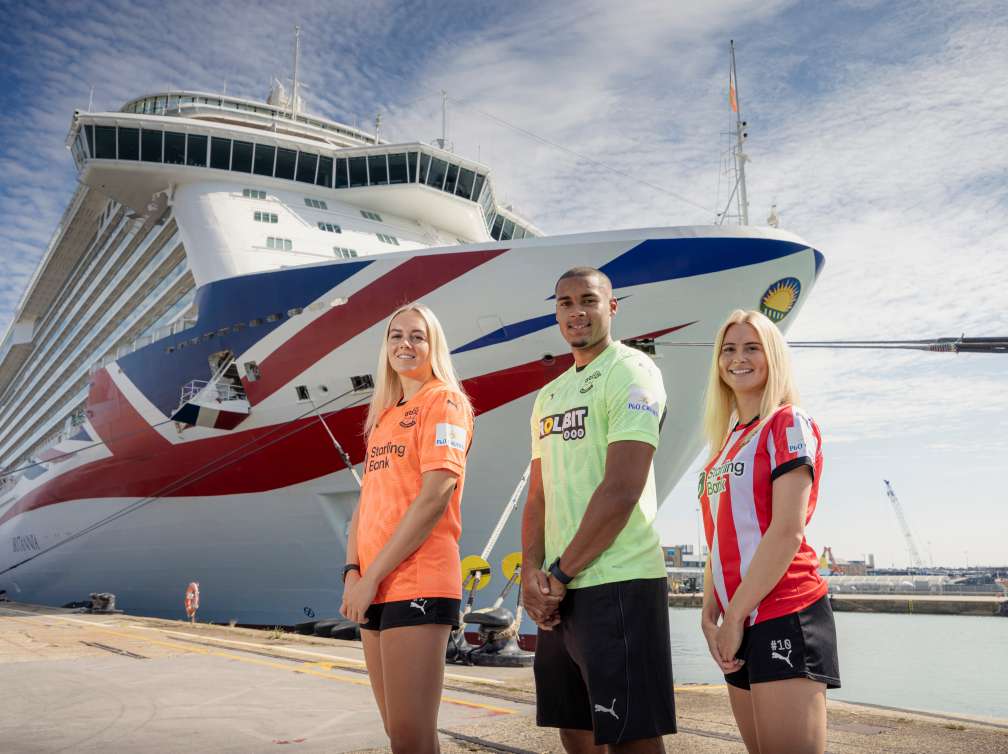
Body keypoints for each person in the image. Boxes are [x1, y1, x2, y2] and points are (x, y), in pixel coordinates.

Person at [521, 267, 677, 754]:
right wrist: (531, 573)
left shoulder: (631, 371)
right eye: (565, 303)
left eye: (588, 300)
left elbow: (621, 489)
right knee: (575, 729)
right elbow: (538, 495)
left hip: (618, 582)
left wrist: (560, 575)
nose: (576, 312)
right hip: (560, 588)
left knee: (630, 736)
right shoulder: (549, 395)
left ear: (611, 307)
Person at [698, 309, 840, 754]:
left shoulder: (787, 423)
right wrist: (709, 612)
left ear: (773, 356)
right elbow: (720, 537)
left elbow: (787, 531)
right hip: (737, 619)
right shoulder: (725, 442)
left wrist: (734, 616)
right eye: (729, 349)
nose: (738, 358)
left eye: (752, 347)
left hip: (784, 609)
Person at [341, 303, 473, 754]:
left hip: (418, 581)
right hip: (373, 587)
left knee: (411, 739)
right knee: (402, 736)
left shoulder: (444, 401)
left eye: (417, 336)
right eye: (396, 335)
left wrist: (372, 575)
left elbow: (436, 495)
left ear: (433, 344)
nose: (405, 344)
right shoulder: (383, 416)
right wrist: (352, 572)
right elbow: (367, 502)